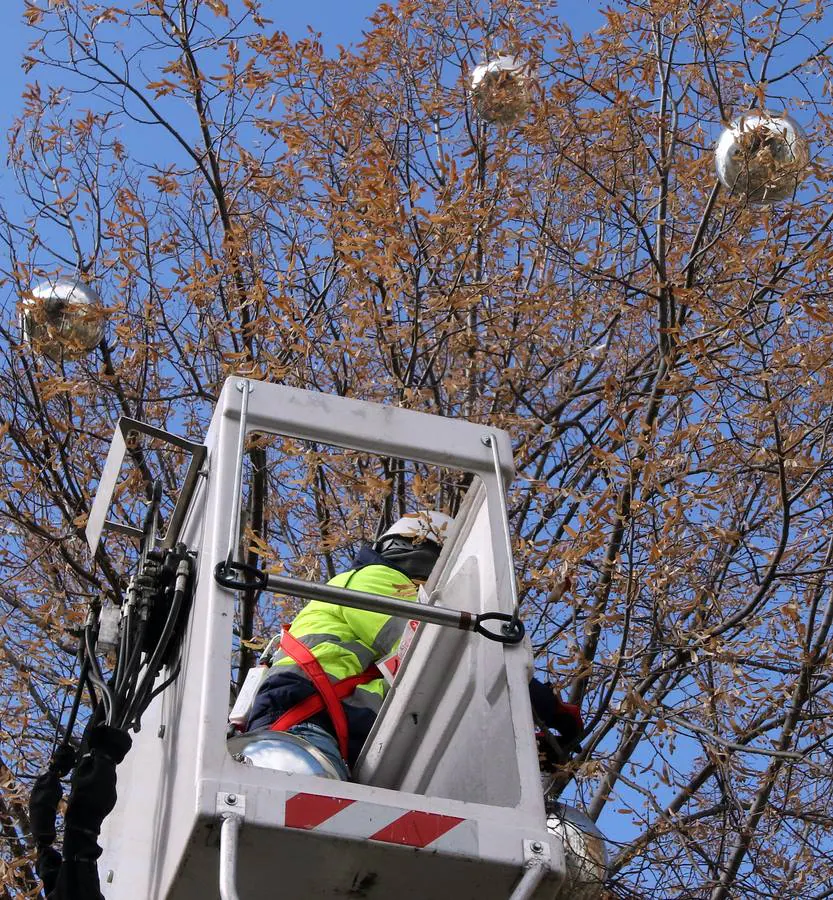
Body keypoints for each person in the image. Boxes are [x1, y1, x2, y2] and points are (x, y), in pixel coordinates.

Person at [239, 510, 583, 778]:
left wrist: (515, 746)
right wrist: (541, 705)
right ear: (418, 551)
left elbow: (443, 700)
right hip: (309, 723)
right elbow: (447, 651)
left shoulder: (364, 587)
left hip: (330, 732)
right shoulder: (376, 579)